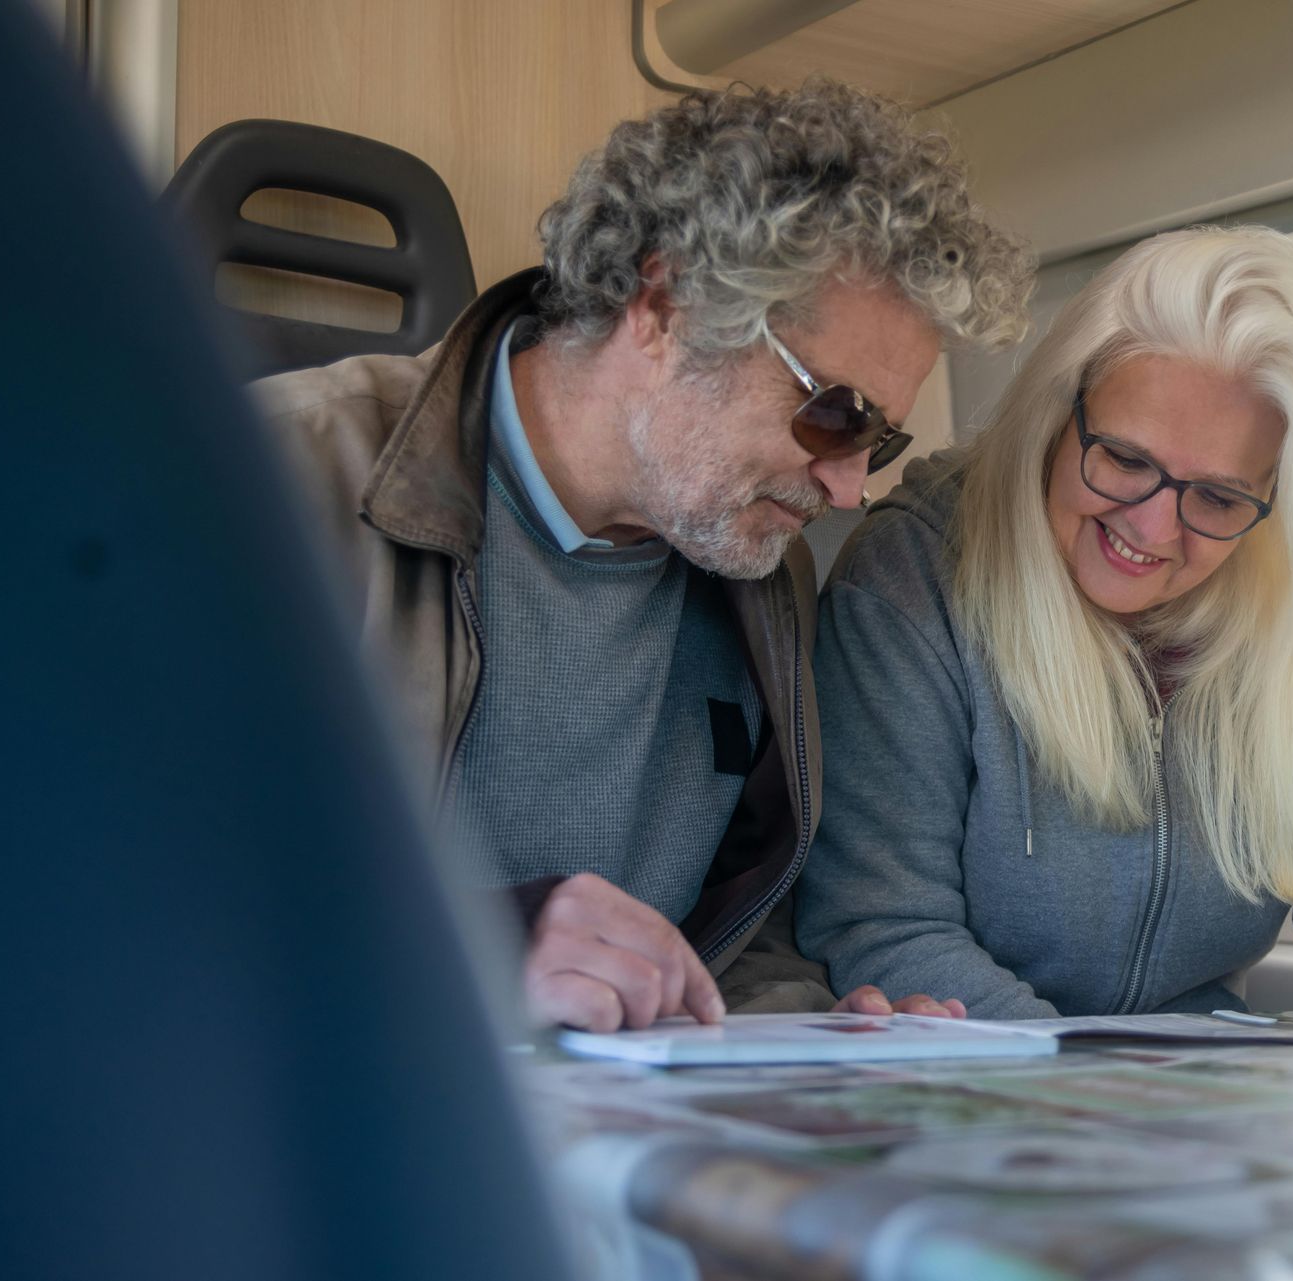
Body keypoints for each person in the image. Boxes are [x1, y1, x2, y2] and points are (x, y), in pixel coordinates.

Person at [252, 80, 1032, 1032]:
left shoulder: (757, 570)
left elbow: (716, 949)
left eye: (883, 443)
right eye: (836, 415)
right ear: (663, 309)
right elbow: (83, 903)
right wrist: (478, 946)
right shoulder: (259, 486)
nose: (847, 491)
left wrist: (820, 1030)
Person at [797, 226, 1293, 1044]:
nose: (1155, 527)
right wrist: (1096, 1092)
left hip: (1193, 1102)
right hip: (1002, 1091)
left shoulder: (1287, 601)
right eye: (1125, 458)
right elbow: (883, 926)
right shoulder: (913, 572)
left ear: (1274, 499)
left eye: (1220, 498)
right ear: (1058, 417)